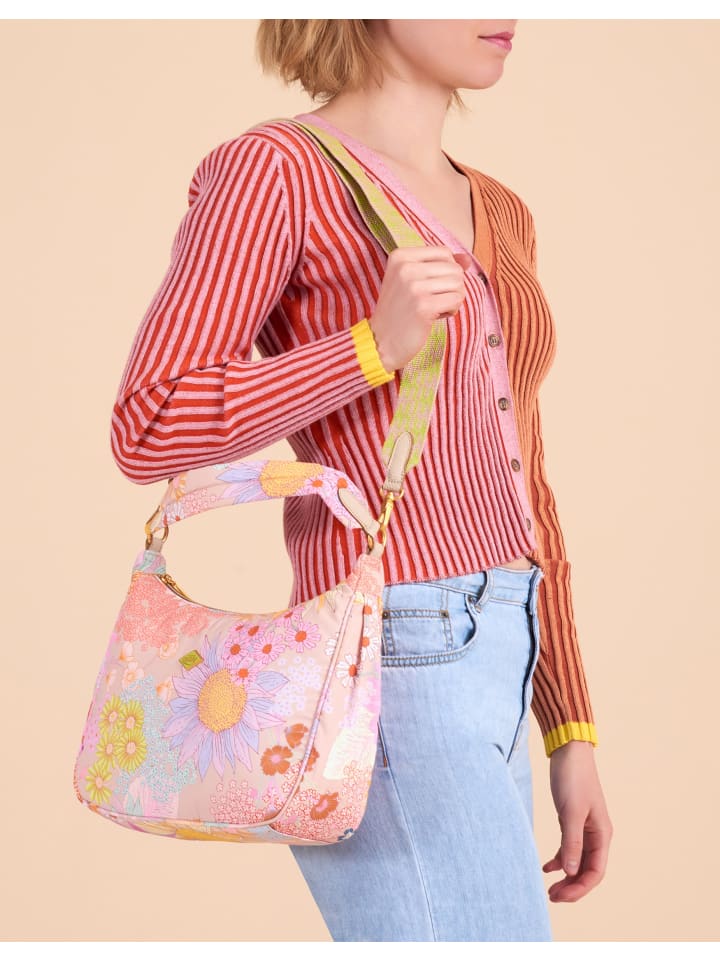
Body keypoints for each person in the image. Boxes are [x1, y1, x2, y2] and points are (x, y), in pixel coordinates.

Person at [110, 18, 613, 942]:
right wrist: (372, 347)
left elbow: (527, 476)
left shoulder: (500, 208)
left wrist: (568, 725)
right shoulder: (275, 171)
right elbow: (150, 424)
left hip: (509, 641)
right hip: (391, 648)